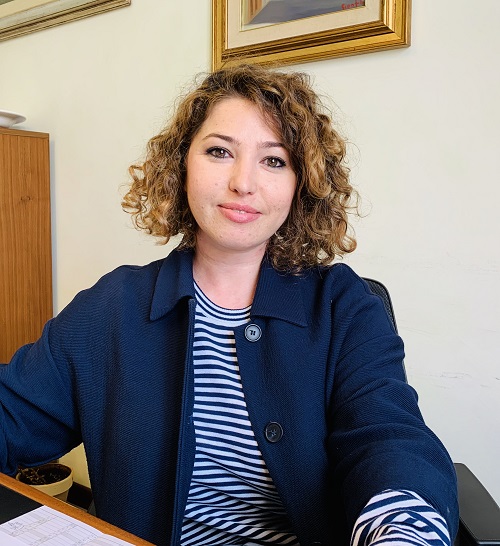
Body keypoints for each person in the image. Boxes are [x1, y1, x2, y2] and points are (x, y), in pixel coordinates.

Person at [0, 63, 458, 546]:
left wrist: (402, 530)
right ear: (182, 164)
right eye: (219, 151)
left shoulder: (344, 305)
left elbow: (388, 435)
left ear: (302, 183)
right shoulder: (111, 307)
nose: (243, 182)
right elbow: (12, 415)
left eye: (274, 160)